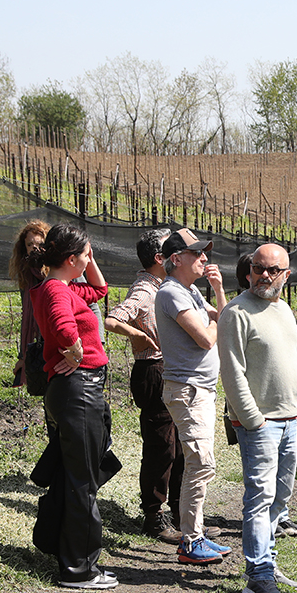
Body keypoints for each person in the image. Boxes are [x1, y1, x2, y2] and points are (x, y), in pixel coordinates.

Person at [27, 224, 115, 590]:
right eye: (85, 254)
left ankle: (67, 551)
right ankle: (78, 569)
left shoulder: (62, 286)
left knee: (78, 474)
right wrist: (76, 353)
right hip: (78, 391)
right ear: (69, 258)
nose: (89, 259)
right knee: (83, 481)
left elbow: (100, 289)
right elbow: (64, 330)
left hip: (78, 391)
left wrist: (90, 257)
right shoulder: (55, 290)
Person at [219, 243, 297, 593]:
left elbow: (292, 367)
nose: (264, 276)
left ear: (286, 275)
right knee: (260, 497)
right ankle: (258, 575)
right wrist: (252, 420)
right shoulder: (236, 313)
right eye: (258, 268)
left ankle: (267, 562)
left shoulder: (283, 309)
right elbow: (232, 373)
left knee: (280, 497)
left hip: (287, 421)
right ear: (249, 270)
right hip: (260, 424)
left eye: (272, 270)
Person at [154, 228, 232, 566]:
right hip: (187, 391)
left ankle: (195, 535)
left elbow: (223, 318)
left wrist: (217, 290)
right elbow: (206, 337)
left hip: (200, 390)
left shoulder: (191, 292)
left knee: (201, 465)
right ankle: (190, 540)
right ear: (176, 259)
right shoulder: (171, 293)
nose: (204, 258)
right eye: (197, 253)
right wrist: (216, 327)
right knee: (200, 464)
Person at [105, 229, 184, 544]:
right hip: (153, 370)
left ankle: (181, 514)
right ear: (159, 258)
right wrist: (135, 335)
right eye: (173, 252)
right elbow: (112, 319)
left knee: (177, 445)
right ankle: (153, 516)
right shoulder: (144, 290)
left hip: (167, 369)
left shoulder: (163, 287)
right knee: (161, 446)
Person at [7, 220, 50, 388]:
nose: (34, 247)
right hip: (41, 342)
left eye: (39, 243)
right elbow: (27, 316)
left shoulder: (59, 271)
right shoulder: (27, 276)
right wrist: (23, 357)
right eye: (29, 244)